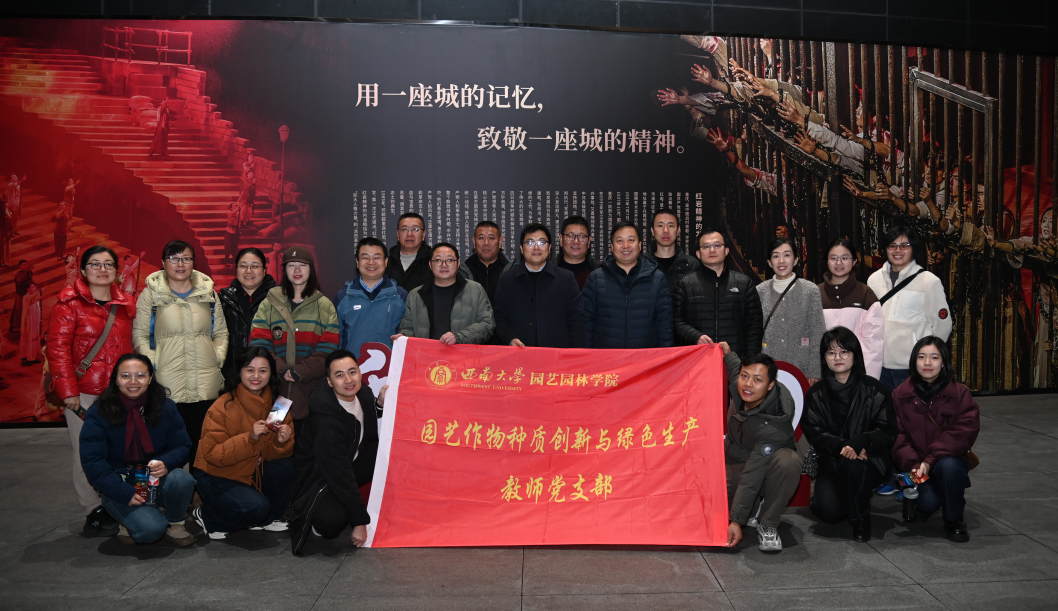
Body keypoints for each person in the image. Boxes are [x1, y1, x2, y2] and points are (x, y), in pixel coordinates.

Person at [46, 245, 136, 536]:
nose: (102, 269)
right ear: (83, 270)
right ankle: (92, 508)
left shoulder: (126, 305)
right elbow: (58, 350)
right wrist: (68, 391)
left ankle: (119, 499)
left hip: (121, 393)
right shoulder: (68, 305)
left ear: (117, 271)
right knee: (86, 451)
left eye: (108, 264)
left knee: (121, 449)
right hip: (83, 393)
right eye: (95, 264)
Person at [78, 354, 196, 545]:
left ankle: (175, 522)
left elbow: (183, 445)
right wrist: (122, 492)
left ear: (150, 378)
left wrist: (166, 462)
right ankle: (130, 519)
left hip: (154, 479)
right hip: (120, 483)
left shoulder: (166, 407)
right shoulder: (99, 412)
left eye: (140, 375)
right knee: (151, 531)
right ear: (116, 379)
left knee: (182, 479)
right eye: (125, 376)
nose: (133, 382)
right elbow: (93, 461)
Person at [133, 240, 229, 465]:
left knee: (204, 447)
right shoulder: (151, 295)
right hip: (167, 384)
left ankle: (200, 486)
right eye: (174, 258)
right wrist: (154, 365)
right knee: (168, 448)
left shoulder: (209, 294)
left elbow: (221, 333)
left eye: (186, 258)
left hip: (205, 383)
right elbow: (140, 336)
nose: (180, 264)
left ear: (193, 263)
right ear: (163, 263)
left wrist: (216, 359)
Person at [801, 327, 896, 542]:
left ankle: (860, 519)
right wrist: (843, 446)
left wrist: (862, 442)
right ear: (824, 358)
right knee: (827, 512)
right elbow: (814, 430)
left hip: (869, 459)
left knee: (855, 465)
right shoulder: (816, 393)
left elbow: (887, 430)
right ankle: (851, 497)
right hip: (833, 460)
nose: (838, 357)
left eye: (844, 351)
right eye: (831, 352)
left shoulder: (876, 389)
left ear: (855, 355)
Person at [191, 347, 294, 540]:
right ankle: (208, 516)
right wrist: (250, 438)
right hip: (216, 474)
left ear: (271, 374)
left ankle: (267, 519)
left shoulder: (278, 406)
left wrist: (280, 443)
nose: (256, 376)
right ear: (239, 372)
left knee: (284, 465)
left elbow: (271, 455)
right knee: (256, 508)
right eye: (250, 370)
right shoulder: (222, 406)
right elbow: (213, 455)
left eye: (263, 370)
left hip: (250, 470)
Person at [289, 350, 381, 555]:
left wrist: (379, 405)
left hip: (349, 461)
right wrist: (359, 522)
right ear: (329, 382)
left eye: (352, 372)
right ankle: (313, 513)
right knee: (331, 522)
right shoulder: (324, 419)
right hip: (319, 476)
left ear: (360, 373)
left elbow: (361, 428)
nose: (348, 380)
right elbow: (339, 472)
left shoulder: (364, 393)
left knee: (390, 456)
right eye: (340, 375)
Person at [891, 337, 980, 542]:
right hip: (915, 466)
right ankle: (935, 494)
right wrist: (916, 466)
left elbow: (963, 433)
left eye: (934, 357)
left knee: (948, 467)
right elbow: (896, 437)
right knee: (926, 504)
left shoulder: (960, 394)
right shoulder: (899, 395)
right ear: (914, 361)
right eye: (921, 357)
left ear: (944, 362)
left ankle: (954, 519)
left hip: (946, 460)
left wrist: (930, 461)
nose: (927, 363)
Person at [718, 341, 801, 553]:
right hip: (739, 461)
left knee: (789, 461)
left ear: (770, 385)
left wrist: (736, 521)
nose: (748, 384)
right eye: (745, 376)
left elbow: (752, 474)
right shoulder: (746, 388)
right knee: (709, 487)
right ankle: (753, 508)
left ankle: (768, 522)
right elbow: (735, 369)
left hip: (766, 470)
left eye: (757, 380)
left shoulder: (774, 422)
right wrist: (728, 352)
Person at [249, 246, 339, 436]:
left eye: (302, 265)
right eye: (291, 265)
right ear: (284, 270)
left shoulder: (325, 306)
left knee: (312, 442)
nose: (297, 270)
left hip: (312, 389)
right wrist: (282, 369)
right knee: (276, 440)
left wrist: (300, 371)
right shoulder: (269, 303)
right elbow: (258, 343)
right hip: (277, 392)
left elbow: (328, 349)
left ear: (311, 269)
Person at [867, 226, 953, 390]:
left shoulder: (929, 281)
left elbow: (943, 325)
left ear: (914, 249)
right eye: (892, 245)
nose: (898, 250)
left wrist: (928, 359)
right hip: (879, 365)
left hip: (912, 367)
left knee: (913, 407)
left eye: (904, 246)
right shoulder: (874, 280)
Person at [673, 228, 763, 357]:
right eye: (706, 247)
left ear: (726, 251)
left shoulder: (744, 283)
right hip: (698, 359)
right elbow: (676, 321)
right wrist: (695, 336)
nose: (712, 250)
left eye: (717, 246)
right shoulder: (685, 284)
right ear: (698, 254)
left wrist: (749, 362)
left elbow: (754, 327)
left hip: (735, 361)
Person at [582, 222, 673, 349]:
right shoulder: (596, 278)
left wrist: (664, 357)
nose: (625, 246)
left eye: (631, 240)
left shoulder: (657, 278)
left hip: (645, 357)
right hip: (606, 357)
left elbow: (665, 325)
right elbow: (586, 324)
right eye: (620, 241)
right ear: (612, 246)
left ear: (640, 245)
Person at [494, 223, 585, 348]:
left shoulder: (566, 279)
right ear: (521, 248)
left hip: (556, 354)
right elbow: (500, 318)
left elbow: (577, 322)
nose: (536, 247)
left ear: (549, 248)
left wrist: (575, 355)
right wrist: (510, 339)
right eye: (530, 243)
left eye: (542, 242)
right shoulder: (506, 280)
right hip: (519, 354)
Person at [755, 237, 826, 385]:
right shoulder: (760, 291)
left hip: (802, 367)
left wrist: (815, 370)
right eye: (776, 256)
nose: (781, 261)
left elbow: (817, 332)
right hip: (767, 368)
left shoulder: (810, 290)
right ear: (769, 262)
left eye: (787, 255)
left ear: (795, 260)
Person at [396, 243, 495, 345]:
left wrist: (458, 337)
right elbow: (408, 328)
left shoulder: (475, 290)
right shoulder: (415, 295)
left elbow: (487, 324)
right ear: (430, 264)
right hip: (427, 354)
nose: (444, 265)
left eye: (450, 260)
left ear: (458, 263)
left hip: (463, 354)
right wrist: (403, 337)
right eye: (438, 260)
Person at [818, 238, 884, 379]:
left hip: (856, 375)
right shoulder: (815, 294)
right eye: (833, 258)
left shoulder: (866, 295)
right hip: (823, 374)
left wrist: (865, 381)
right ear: (827, 261)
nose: (839, 263)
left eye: (845, 258)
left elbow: (873, 344)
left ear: (854, 261)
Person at [335, 237, 408, 360]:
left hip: (391, 368)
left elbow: (409, 336)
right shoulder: (343, 296)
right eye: (365, 257)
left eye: (377, 257)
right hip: (353, 368)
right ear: (357, 261)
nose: (371, 262)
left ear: (386, 261)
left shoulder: (400, 296)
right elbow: (337, 339)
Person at [219, 247, 277, 379]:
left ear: (264, 270)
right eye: (243, 266)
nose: (248, 271)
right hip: (231, 376)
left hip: (269, 376)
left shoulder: (278, 300)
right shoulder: (223, 300)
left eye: (255, 266)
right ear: (236, 269)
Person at [645, 208, 700, 293]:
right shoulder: (642, 263)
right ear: (652, 231)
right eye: (660, 226)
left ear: (678, 231)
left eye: (671, 226)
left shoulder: (692, 264)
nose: (665, 230)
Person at [463, 220, 509, 306]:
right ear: (474, 242)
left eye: (491, 238)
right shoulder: (462, 273)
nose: (486, 243)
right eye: (481, 238)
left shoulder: (512, 271)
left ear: (500, 242)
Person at [386, 212, 433, 292]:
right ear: (398, 234)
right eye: (404, 229)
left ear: (423, 235)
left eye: (415, 229)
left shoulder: (434, 261)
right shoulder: (386, 263)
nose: (409, 234)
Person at [555, 215, 601, 289]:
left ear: (589, 241)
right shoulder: (548, 271)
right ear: (561, 239)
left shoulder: (601, 272)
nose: (576, 241)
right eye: (570, 236)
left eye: (582, 237)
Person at [18, 283, 42, 365]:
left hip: (35, 321)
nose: (34, 288)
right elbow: (32, 299)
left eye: (35, 287)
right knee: (29, 339)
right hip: (28, 322)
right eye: (32, 287)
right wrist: (39, 292)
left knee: (35, 338)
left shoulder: (35, 297)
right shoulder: (26, 297)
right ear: (27, 289)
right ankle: (26, 358)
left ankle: (34, 356)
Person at [54, 182, 76, 260]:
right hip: (58, 231)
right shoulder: (58, 213)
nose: (63, 206)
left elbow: (67, 220)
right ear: (59, 207)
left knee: (63, 244)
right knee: (58, 244)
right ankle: (58, 256)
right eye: (61, 205)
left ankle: (62, 254)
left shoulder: (66, 214)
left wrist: (67, 228)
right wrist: (64, 209)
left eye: (63, 205)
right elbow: (61, 214)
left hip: (64, 231)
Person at [10, 260, 33, 332]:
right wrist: (29, 271)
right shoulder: (19, 274)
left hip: (26, 294)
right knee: (19, 310)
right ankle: (16, 325)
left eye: (26, 264)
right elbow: (22, 279)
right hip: (20, 295)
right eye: (23, 264)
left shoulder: (26, 273)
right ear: (19, 266)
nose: (25, 266)